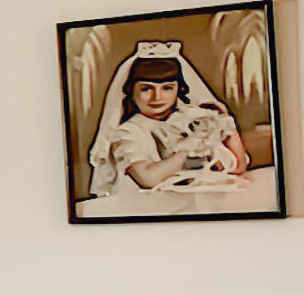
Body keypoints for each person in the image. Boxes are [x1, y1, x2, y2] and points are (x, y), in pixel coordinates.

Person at [88, 41, 249, 195]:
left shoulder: (192, 119)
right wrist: (187, 150)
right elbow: (147, 178)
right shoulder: (127, 132)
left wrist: (226, 124)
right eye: (146, 89)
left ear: (179, 89)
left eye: (167, 88)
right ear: (131, 92)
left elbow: (237, 167)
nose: (157, 97)